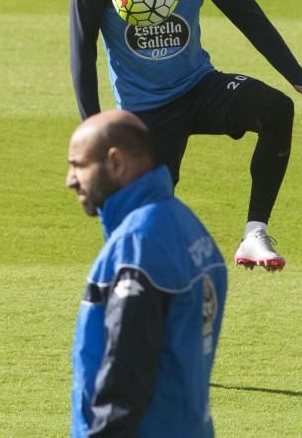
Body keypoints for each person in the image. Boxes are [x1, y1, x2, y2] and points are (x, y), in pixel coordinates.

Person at [70, 0, 302, 271]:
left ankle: (254, 234)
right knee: (147, 219)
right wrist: (93, 129)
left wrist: (297, 76)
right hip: (145, 108)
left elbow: (249, 16)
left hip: (199, 86)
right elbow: (81, 53)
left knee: (276, 108)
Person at [66, 110, 227, 437]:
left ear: (115, 163)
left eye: (78, 165)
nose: (70, 180)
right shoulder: (188, 227)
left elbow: (124, 378)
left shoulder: (137, 246)